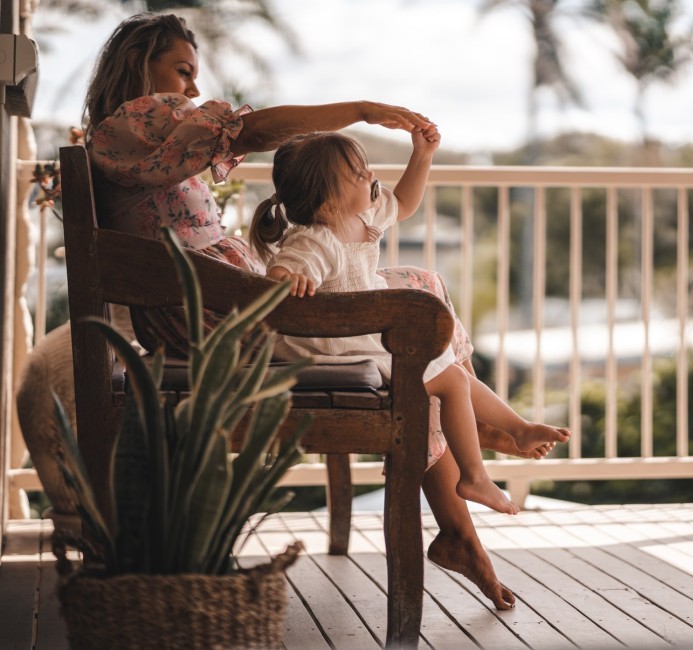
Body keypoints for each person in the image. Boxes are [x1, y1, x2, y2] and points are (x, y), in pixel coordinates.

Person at [79, 11, 567, 609]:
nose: (193, 90)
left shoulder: (135, 138)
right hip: (221, 317)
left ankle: (472, 434)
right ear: (138, 64)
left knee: (421, 289)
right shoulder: (135, 123)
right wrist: (359, 109)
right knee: (417, 320)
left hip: (225, 304)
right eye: (182, 71)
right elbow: (252, 132)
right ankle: (468, 460)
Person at [248, 130, 569, 515]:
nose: (370, 177)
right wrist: (290, 280)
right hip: (335, 348)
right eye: (357, 174)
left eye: (365, 169)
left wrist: (423, 155)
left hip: (361, 337)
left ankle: (515, 428)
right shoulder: (315, 240)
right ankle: (474, 476)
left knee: (456, 377)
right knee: (452, 379)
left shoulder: (359, 216)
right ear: (329, 201)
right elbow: (280, 273)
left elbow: (403, 203)